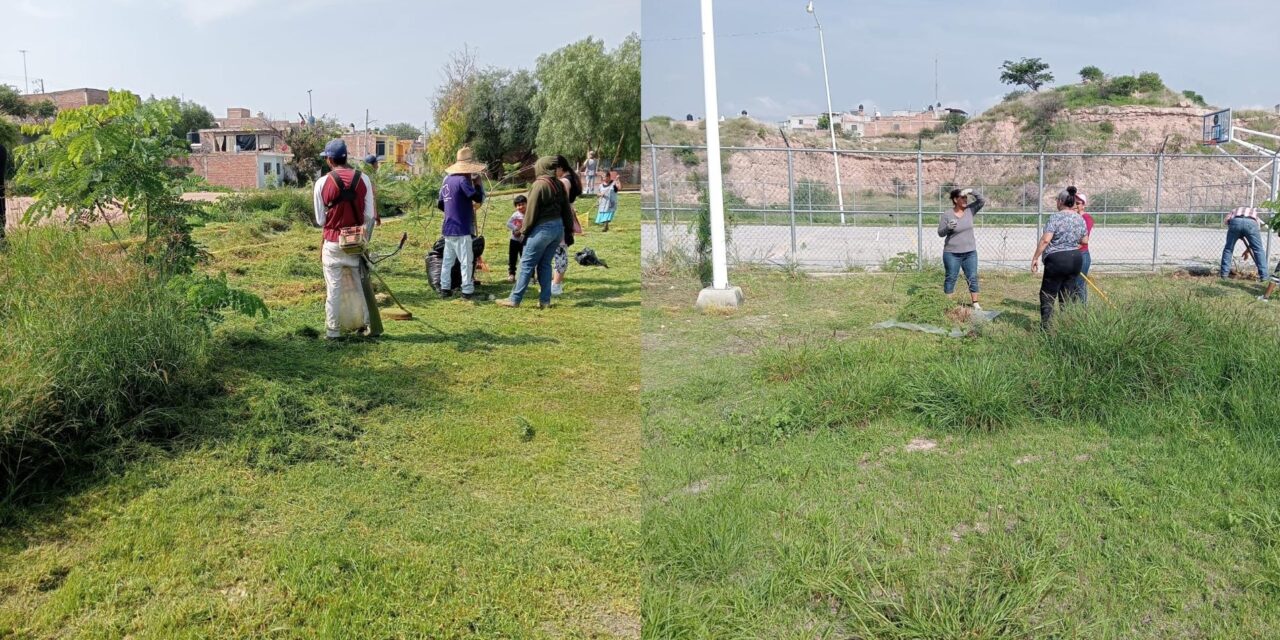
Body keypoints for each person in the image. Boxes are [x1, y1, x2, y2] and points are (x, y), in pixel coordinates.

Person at [313, 139, 377, 339]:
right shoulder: (364, 179)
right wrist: (363, 237)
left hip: (332, 242)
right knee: (361, 287)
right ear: (346, 158)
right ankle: (367, 326)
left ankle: (333, 331)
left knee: (333, 288)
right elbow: (370, 216)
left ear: (330, 160)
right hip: (356, 243)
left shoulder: (322, 183)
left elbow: (320, 219)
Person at [497, 155, 576, 309]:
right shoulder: (559, 184)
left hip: (543, 230)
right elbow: (567, 210)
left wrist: (523, 231)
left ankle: (514, 299)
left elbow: (531, 211)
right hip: (557, 229)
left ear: (541, 167)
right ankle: (545, 300)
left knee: (526, 264)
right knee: (545, 264)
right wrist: (568, 232)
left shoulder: (539, 185)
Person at [1031, 186, 1089, 329]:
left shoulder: (1055, 217)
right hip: (1076, 259)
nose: (1056, 202)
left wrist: (1035, 257)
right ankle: (1066, 325)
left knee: (1048, 293)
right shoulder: (1079, 218)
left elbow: (1045, 240)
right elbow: (1085, 241)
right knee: (1067, 294)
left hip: (1057, 260)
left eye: (1057, 200)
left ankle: (1046, 328)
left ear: (1062, 201)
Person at [436, 146, 486, 300]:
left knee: (447, 261)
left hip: (448, 227)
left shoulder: (447, 181)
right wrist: (477, 184)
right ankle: (467, 291)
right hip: (462, 228)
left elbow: (440, 204)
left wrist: (454, 209)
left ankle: (445, 288)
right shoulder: (463, 181)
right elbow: (477, 198)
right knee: (466, 261)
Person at [937, 187, 985, 310]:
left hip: (970, 253)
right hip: (952, 253)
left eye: (965, 197)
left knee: (972, 277)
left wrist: (971, 191)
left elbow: (981, 201)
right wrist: (948, 227)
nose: (965, 199)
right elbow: (940, 233)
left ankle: (975, 303)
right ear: (955, 199)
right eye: (962, 197)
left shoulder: (970, 210)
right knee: (951, 277)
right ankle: (948, 305)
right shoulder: (947, 214)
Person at [551, 156, 584, 296]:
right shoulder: (571, 178)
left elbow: (560, 201)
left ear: (560, 168)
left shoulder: (564, 181)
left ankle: (556, 285)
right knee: (560, 250)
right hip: (566, 216)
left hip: (562, 218)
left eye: (553, 169)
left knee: (560, 251)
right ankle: (555, 283)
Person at [1219, 206, 1269, 287]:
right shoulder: (1254, 213)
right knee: (1258, 250)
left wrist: (1236, 232)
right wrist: (1248, 247)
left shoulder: (1234, 210)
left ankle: (1224, 275)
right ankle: (1264, 277)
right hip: (1251, 223)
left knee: (1228, 249)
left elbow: (1227, 221)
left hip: (1235, 222)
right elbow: (1255, 235)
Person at [1073, 191, 1094, 303]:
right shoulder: (1071, 217)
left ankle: (1083, 312)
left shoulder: (1087, 218)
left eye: (1078, 203)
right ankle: (1071, 310)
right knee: (1070, 284)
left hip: (1082, 254)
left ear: (1083, 204)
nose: (1075, 205)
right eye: (1073, 202)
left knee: (1079, 284)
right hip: (1071, 254)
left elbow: (1084, 240)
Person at [507, 195, 528, 283]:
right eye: (518, 205)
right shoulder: (515, 215)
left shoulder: (529, 214)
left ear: (527, 204)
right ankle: (512, 274)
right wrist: (516, 229)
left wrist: (522, 231)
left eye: (523, 204)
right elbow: (508, 223)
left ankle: (529, 275)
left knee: (526, 257)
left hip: (525, 240)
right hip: (514, 240)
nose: (521, 207)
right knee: (513, 257)